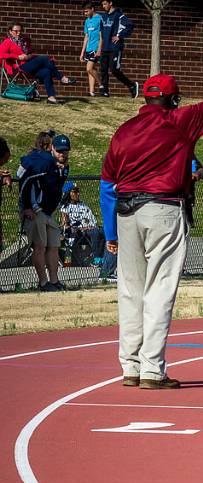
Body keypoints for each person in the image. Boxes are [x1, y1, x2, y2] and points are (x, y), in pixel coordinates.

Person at [99, 40, 203, 389]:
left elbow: (106, 186)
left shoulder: (124, 131)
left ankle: (130, 366)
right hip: (163, 208)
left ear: (145, 99)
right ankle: (151, 370)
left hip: (126, 212)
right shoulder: (180, 120)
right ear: (173, 99)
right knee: (159, 290)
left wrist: (110, 233)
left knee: (130, 291)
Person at [18, 132, 70, 291]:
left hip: (48, 212)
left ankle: (54, 281)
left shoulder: (62, 167)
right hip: (35, 210)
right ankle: (43, 283)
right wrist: (27, 206)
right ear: (52, 149)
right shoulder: (44, 163)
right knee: (39, 247)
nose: (62, 153)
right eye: (59, 150)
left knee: (54, 246)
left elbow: (56, 186)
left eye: (65, 151)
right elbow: (25, 180)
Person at [0, 24, 77, 105]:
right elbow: (1, 54)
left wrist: (29, 56)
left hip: (29, 65)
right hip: (18, 68)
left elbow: (30, 53)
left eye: (20, 31)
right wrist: (17, 57)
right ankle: (62, 78)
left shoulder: (25, 41)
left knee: (46, 72)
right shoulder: (7, 42)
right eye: (16, 31)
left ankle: (51, 98)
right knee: (44, 58)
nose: (18, 33)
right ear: (10, 32)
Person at [97, 0, 138, 98]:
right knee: (103, 70)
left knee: (114, 70)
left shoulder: (119, 16)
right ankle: (105, 92)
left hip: (115, 48)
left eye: (105, 4)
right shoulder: (103, 17)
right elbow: (101, 34)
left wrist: (120, 36)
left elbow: (130, 25)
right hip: (104, 48)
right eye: (102, 4)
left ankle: (131, 85)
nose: (103, 6)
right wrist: (99, 48)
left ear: (110, 3)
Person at [61, 183, 107, 271]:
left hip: (90, 229)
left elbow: (92, 220)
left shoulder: (83, 205)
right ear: (68, 193)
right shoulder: (65, 207)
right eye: (75, 191)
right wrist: (79, 228)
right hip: (77, 233)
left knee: (104, 231)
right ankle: (96, 259)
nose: (78, 194)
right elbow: (65, 225)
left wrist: (91, 226)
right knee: (95, 232)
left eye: (78, 191)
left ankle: (102, 258)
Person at [80, 2, 103, 96]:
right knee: (91, 70)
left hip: (95, 47)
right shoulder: (87, 21)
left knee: (89, 68)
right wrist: (82, 52)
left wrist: (99, 49)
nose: (85, 13)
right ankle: (92, 92)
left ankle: (102, 85)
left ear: (92, 9)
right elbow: (86, 37)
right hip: (89, 48)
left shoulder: (100, 19)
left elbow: (102, 36)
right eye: (84, 12)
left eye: (86, 11)